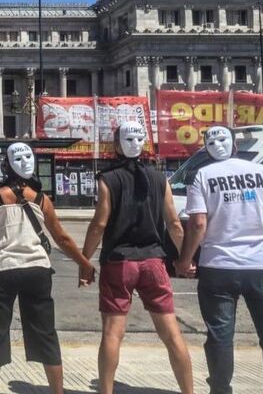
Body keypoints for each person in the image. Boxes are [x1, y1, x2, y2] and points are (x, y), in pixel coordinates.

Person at [0, 142, 96, 394]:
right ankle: (58, 391)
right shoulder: (42, 199)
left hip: (1, 270)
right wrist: (85, 264)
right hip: (36, 269)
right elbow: (62, 239)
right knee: (45, 332)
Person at [81, 121, 194, 394]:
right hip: (154, 261)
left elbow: (99, 224)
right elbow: (175, 224)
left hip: (119, 262)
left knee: (112, 333)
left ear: (116, 145)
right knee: (171, 333)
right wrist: (184, 259)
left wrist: (85, 261)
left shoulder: (108, 179)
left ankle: (105, 391)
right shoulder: (160, 178)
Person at [176, 126, 263, 394]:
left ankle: (220, 389)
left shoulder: (203, 175)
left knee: (220, 335)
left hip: (218, 266)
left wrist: (185, 259)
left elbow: (198, 223)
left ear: (206, 148)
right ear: (236, 146)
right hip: (261, 264)